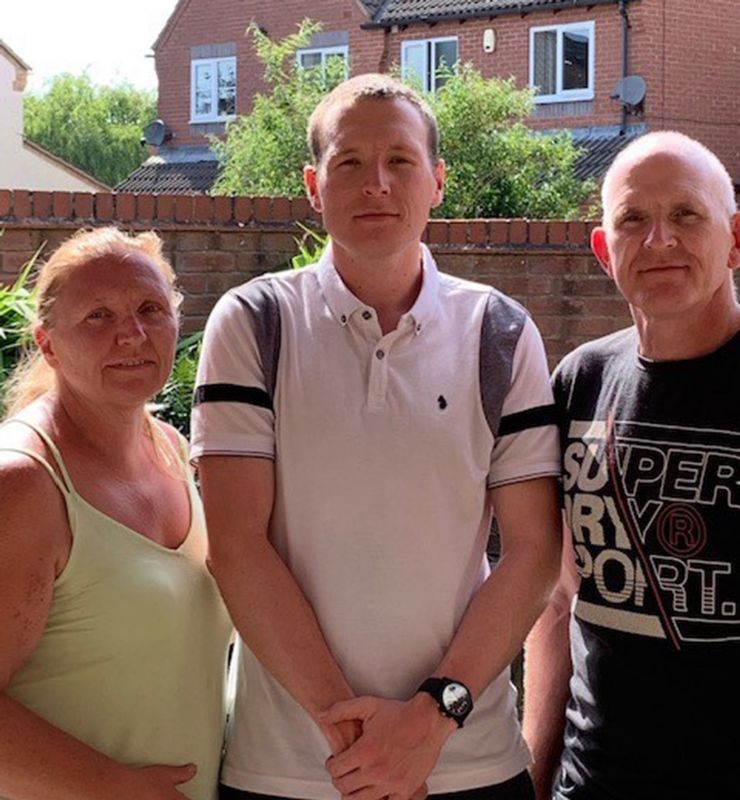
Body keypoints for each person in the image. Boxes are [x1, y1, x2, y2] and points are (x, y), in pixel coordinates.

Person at [191, 73, 561, 800]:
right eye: (349, 163)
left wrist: (425, 727)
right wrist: (363, 745)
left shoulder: (501, 332)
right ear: (313, 185)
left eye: (400, 160)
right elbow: (235, 546)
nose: (377, 184)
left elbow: (533, 551)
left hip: (468, 763)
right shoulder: (253, 323)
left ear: (438, 182)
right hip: (290, 771)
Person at [522, 131, 740, 799]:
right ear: (602, 251)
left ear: (734, 238)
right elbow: (558, 601)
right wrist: (534, 772)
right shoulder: (578, 380)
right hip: (593, 785)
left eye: (685, 215)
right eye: (633, 220)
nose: (660, 241)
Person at [0, 227, 232, 800]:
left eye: (151, 309)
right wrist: (112, 785)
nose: (132, 335)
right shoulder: (24, 483)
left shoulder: (173, 451)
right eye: (98, 317)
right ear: (48, 344)